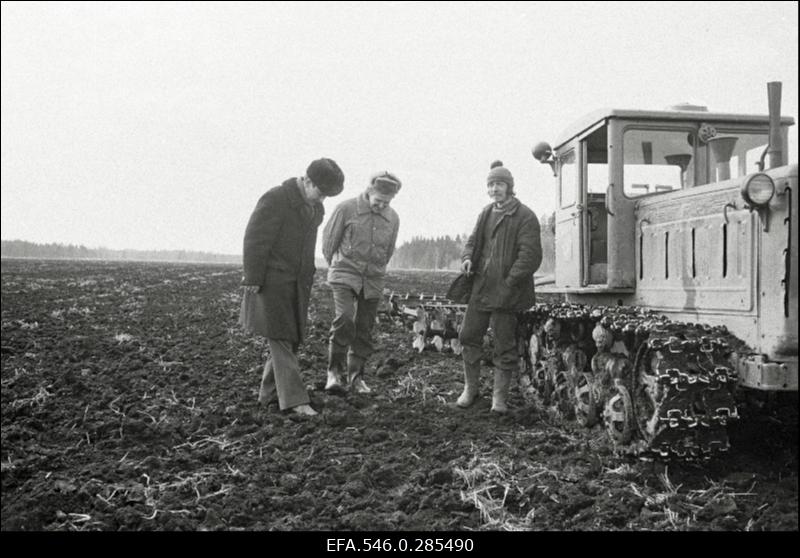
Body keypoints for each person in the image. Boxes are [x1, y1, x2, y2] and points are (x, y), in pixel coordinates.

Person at [239, 158, 345, 416]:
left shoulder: (315, 208)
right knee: (281, 338)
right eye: (321, 193)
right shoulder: (276, 199)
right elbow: (255, 238)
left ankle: (269, 395)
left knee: (291, 338)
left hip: (297, 283)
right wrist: (252, 277)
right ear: (307, 181)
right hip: (271, 281)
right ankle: (295, 400)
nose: (322, 200)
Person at [456, 160, 542, 413]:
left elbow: (530, 256)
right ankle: (470, 390)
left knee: (504, 344)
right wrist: (467, 258)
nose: (495, 189)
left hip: (508, 292)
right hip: (481, 287)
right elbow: (472, 241)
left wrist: (510, 282)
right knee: (468, 336)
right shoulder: (486, 212)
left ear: (510, 187)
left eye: (500, 184)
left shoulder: (525, 216)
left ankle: (499, 400)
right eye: (491, 185)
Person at [321, 171, 401, 394]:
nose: (381, 206)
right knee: (345, 319)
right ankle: (334, 374)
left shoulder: (393, 218)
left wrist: (375, 269)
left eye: (386, 202)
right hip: (345, 274)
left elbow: (389, 249)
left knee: (365, 328)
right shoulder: (346, 209)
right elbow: (329, 242)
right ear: (369, 192)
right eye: (378, 201)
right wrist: (339, 266)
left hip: (373, 278)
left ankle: (356, 378)